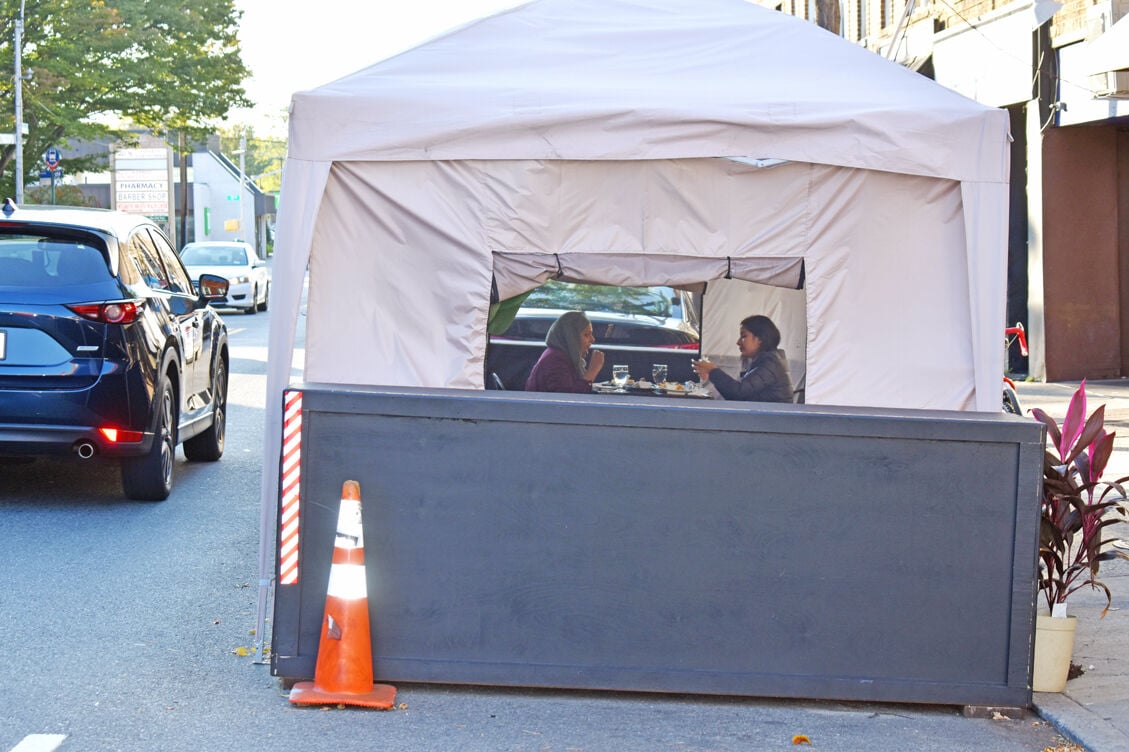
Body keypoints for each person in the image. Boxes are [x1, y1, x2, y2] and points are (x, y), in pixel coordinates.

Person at [692, 314, 793, 402]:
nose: (738, 342)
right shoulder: (763, 361)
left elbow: (737, 393)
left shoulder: (770, 364)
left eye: (744, 336)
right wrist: (711, 374)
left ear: (760, 339)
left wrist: (712, 370)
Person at [524, 311, 606, 393]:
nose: (592, 339)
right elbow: (568, 398)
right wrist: (592, 371)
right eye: (586, 335)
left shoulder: (563, 355)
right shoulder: (555, 360)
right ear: (571, 337)